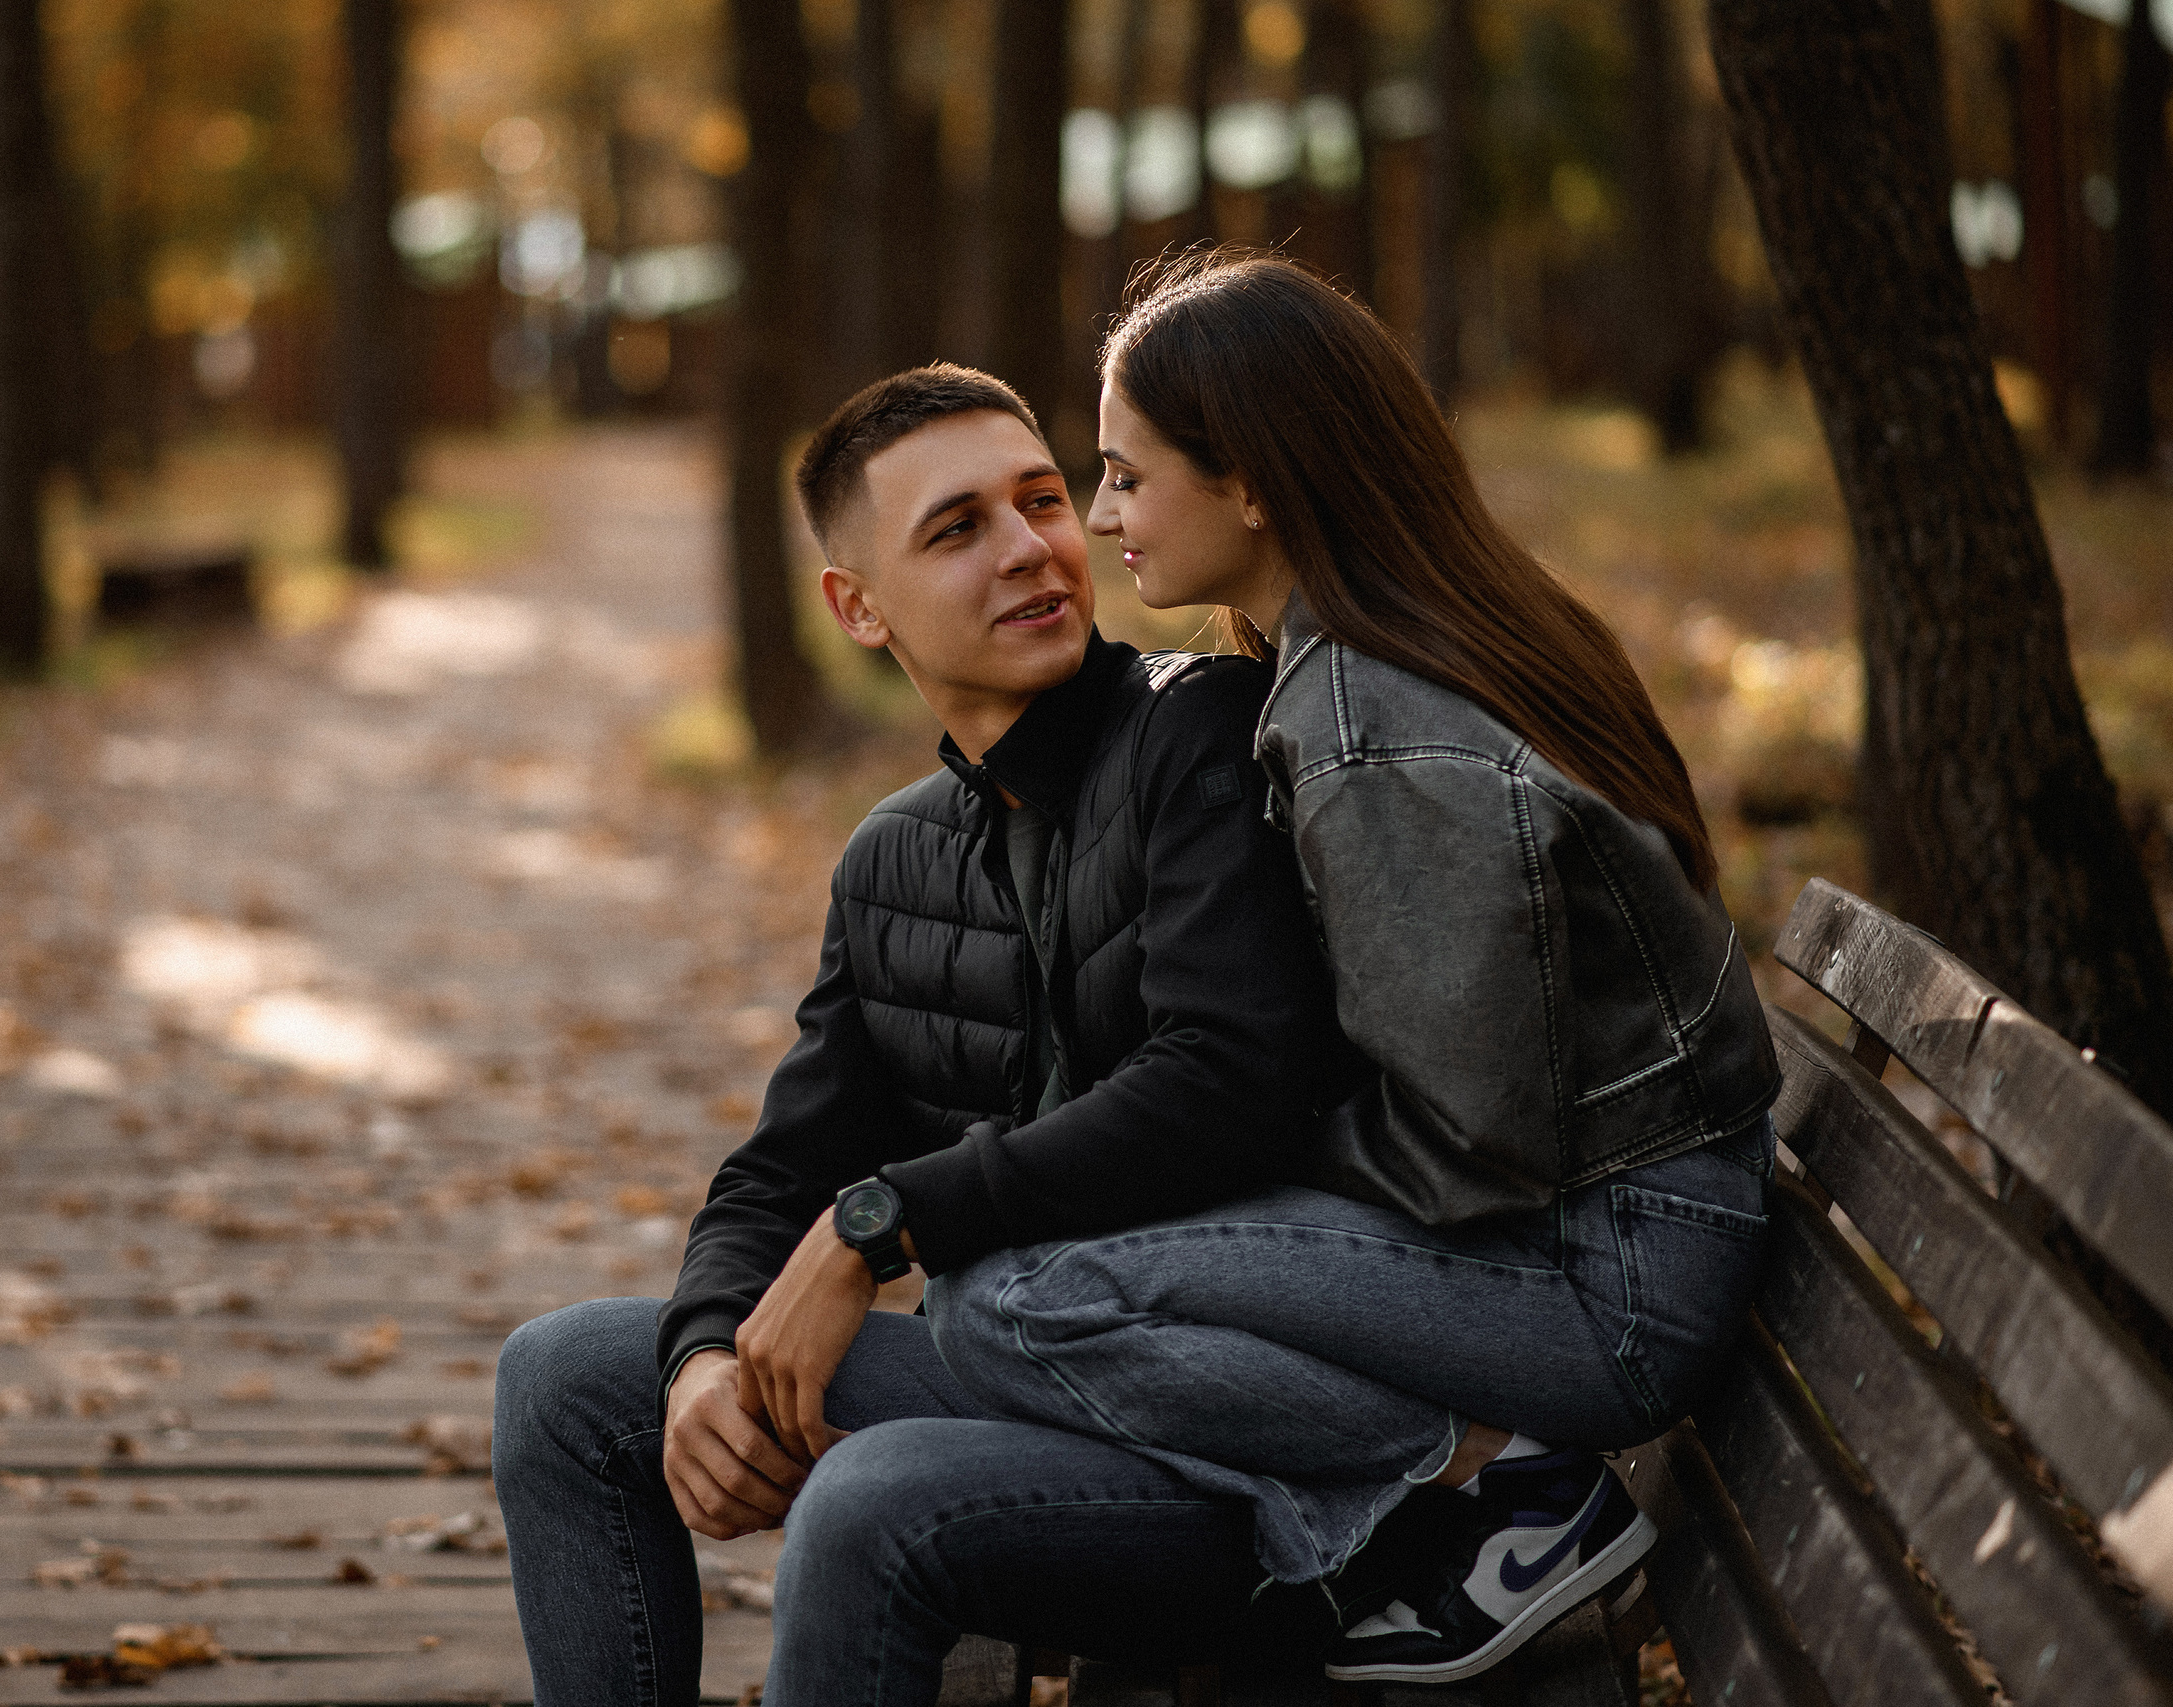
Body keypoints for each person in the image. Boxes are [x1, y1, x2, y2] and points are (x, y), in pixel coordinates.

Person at [927, 253, 1784, 1686]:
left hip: (1604, 1287)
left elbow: (1469, 1144)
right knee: (1055, 1256)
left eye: (1130, 478)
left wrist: (1211, 1164)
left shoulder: (1374, 728)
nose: (1103, 518)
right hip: (1623, 1225)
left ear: (1254, 481)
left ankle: (1500, 1492)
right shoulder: (1409, 636)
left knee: (1010, 1299)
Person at [491, 364, 1387, 1707]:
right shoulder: (897, 860)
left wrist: (887, 1224)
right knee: (562, 1380)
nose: (1033, 547)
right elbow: (778, 1172)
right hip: (1025, 1386)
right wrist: (698, 1366)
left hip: (1233, 1439)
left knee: (870, 1501)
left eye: (1041, 500)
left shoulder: (1196, 733)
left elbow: (1228, 1084)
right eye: (958, 528)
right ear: (857, 607)